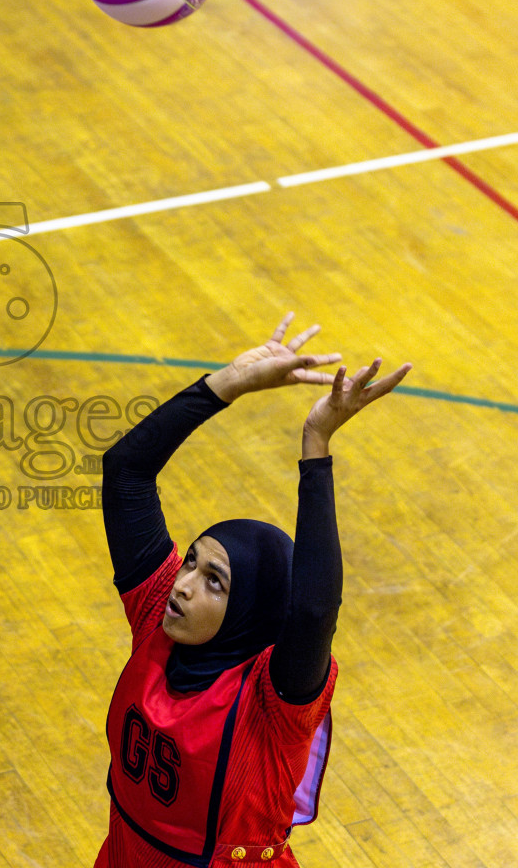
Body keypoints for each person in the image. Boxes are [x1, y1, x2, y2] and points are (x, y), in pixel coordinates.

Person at [97, 314, 411, 867]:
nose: (183, 585)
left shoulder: (273, 702)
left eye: (213, 581)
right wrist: (227, 384)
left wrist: (316, 446)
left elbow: (313, 610)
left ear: (250, 610)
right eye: (190, 562)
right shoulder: (156, 614)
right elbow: (125, 471)